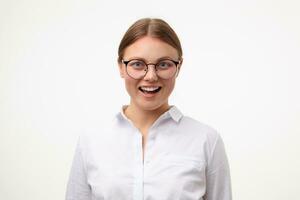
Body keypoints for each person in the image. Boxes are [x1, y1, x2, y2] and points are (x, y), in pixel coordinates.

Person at [65, 18, 232, 200]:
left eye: (163, 64)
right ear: (121, 66)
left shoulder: (206, 140)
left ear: (178, 67)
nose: (151, 76)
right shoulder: (91, 141)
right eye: (137, 64)